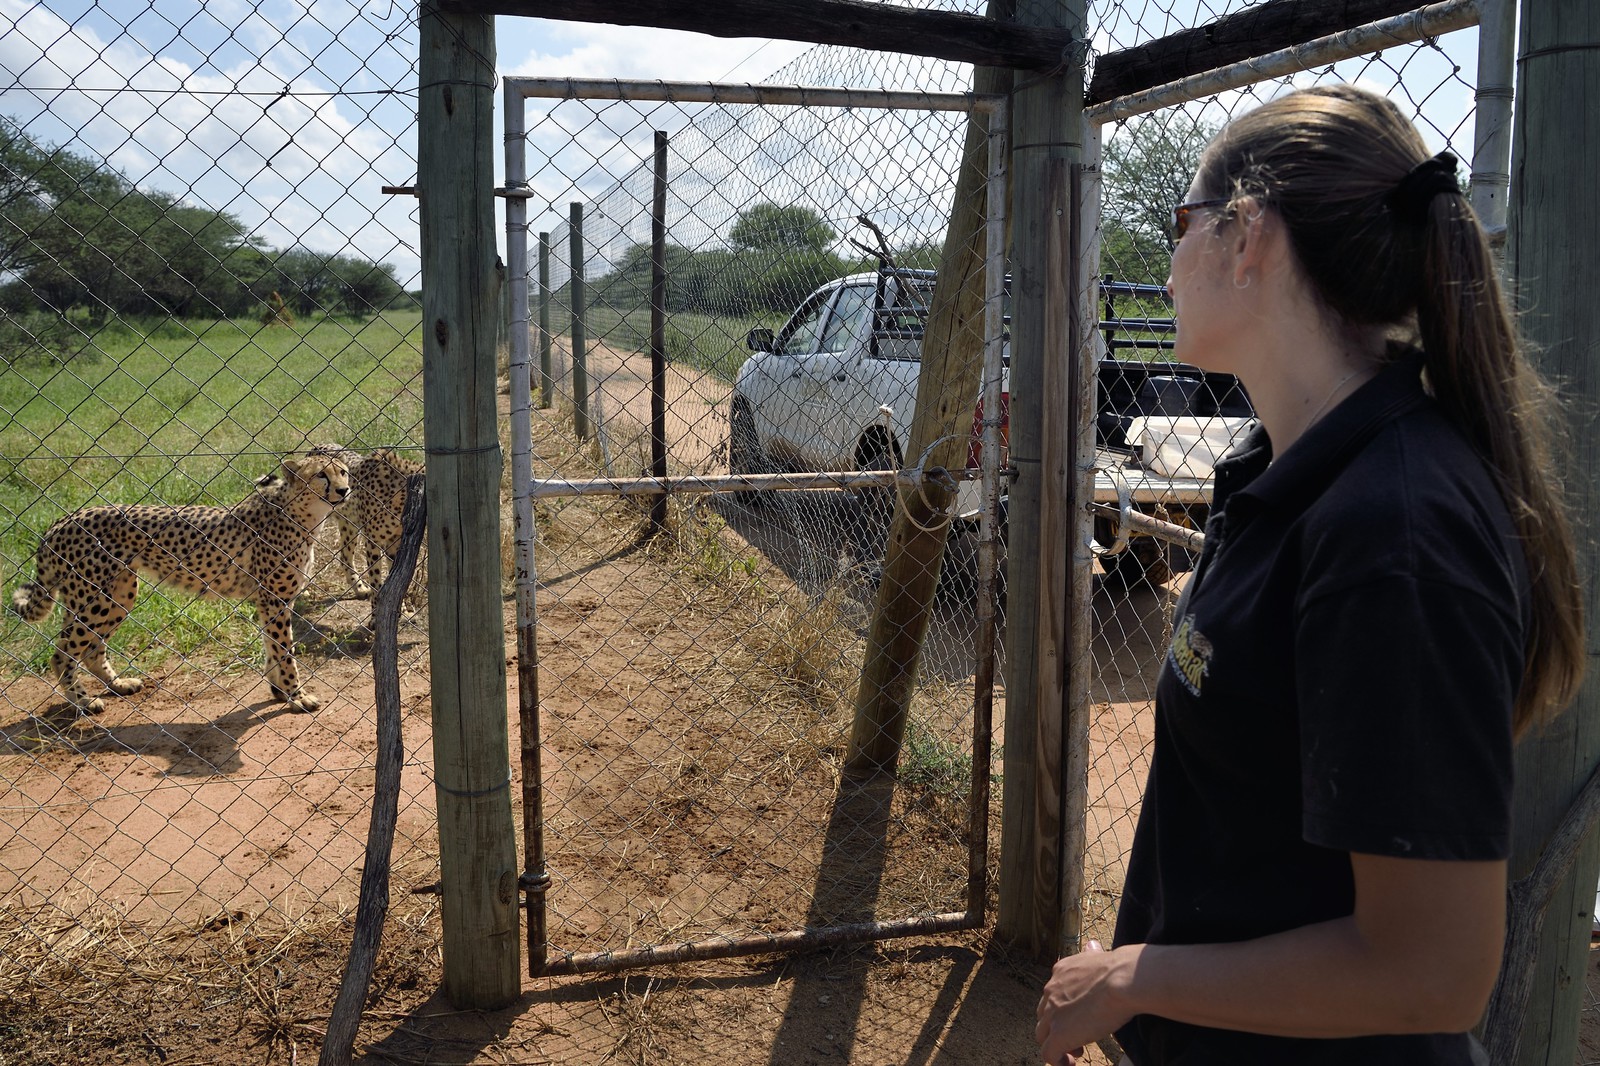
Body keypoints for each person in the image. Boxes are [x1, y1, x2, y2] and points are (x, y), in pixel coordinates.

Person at [1035, 84, 1585, 1065]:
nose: (1165, 266)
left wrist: (1132, 977)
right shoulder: (1284, 469)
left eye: (1180, 224)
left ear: (1245, 237)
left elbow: (1433, 970)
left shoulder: (1395, 532)